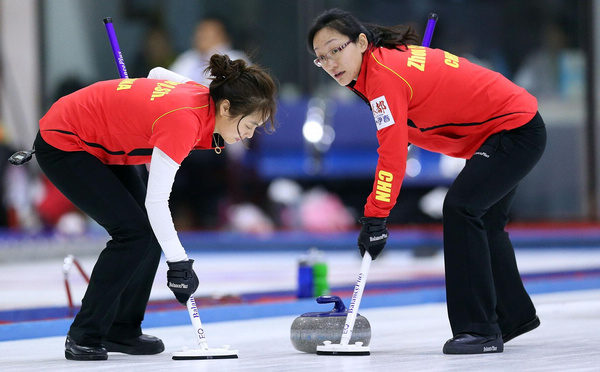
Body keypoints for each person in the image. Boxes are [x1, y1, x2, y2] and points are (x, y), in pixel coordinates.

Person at [308, 9, 545, 355]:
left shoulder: (383, 76)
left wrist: (376, 217)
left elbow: (392, 156)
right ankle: (511, 316)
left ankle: (478, 329)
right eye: (321, 58)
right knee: (485, 219)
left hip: (513, 130)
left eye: (335, 50)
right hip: (505, 130)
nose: (330, 63)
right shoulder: (379, 66)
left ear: (360, 42)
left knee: (462, 208)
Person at [29, 54, 277, 361]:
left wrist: (135, 111)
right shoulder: (185, 122)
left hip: (97, 140)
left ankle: (122, 329)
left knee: (145, 234)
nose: (250, 134)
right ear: (226, 107)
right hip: (65, 142)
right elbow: (157, 203)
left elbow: (157, 72)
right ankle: (84, 334)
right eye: (250, 124)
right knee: (132, 234)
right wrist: (179, 264)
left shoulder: (200, 93)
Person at [170, 18, 250, 87]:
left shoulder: (236, 59)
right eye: (199, 31)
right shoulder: (186, 59)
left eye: (207, 31)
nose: (200, 35)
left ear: (223, 35)